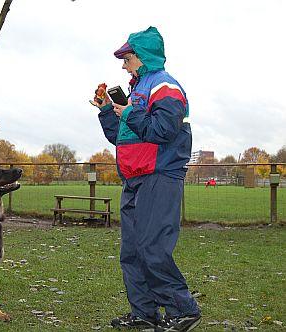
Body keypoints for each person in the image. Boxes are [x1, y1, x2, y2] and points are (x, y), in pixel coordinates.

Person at [93, 27, 201, 331]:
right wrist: (107, 112)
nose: (124, 64)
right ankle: (144, 313)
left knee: (152, 247)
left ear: (143, 57)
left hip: (159, 174)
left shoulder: (164, 86)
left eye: (127, 58)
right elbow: (122, 137)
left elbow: (164, 130)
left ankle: (184, 310)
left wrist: (129, 112)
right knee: (132, 251)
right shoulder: (137, 92)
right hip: (134, 178)